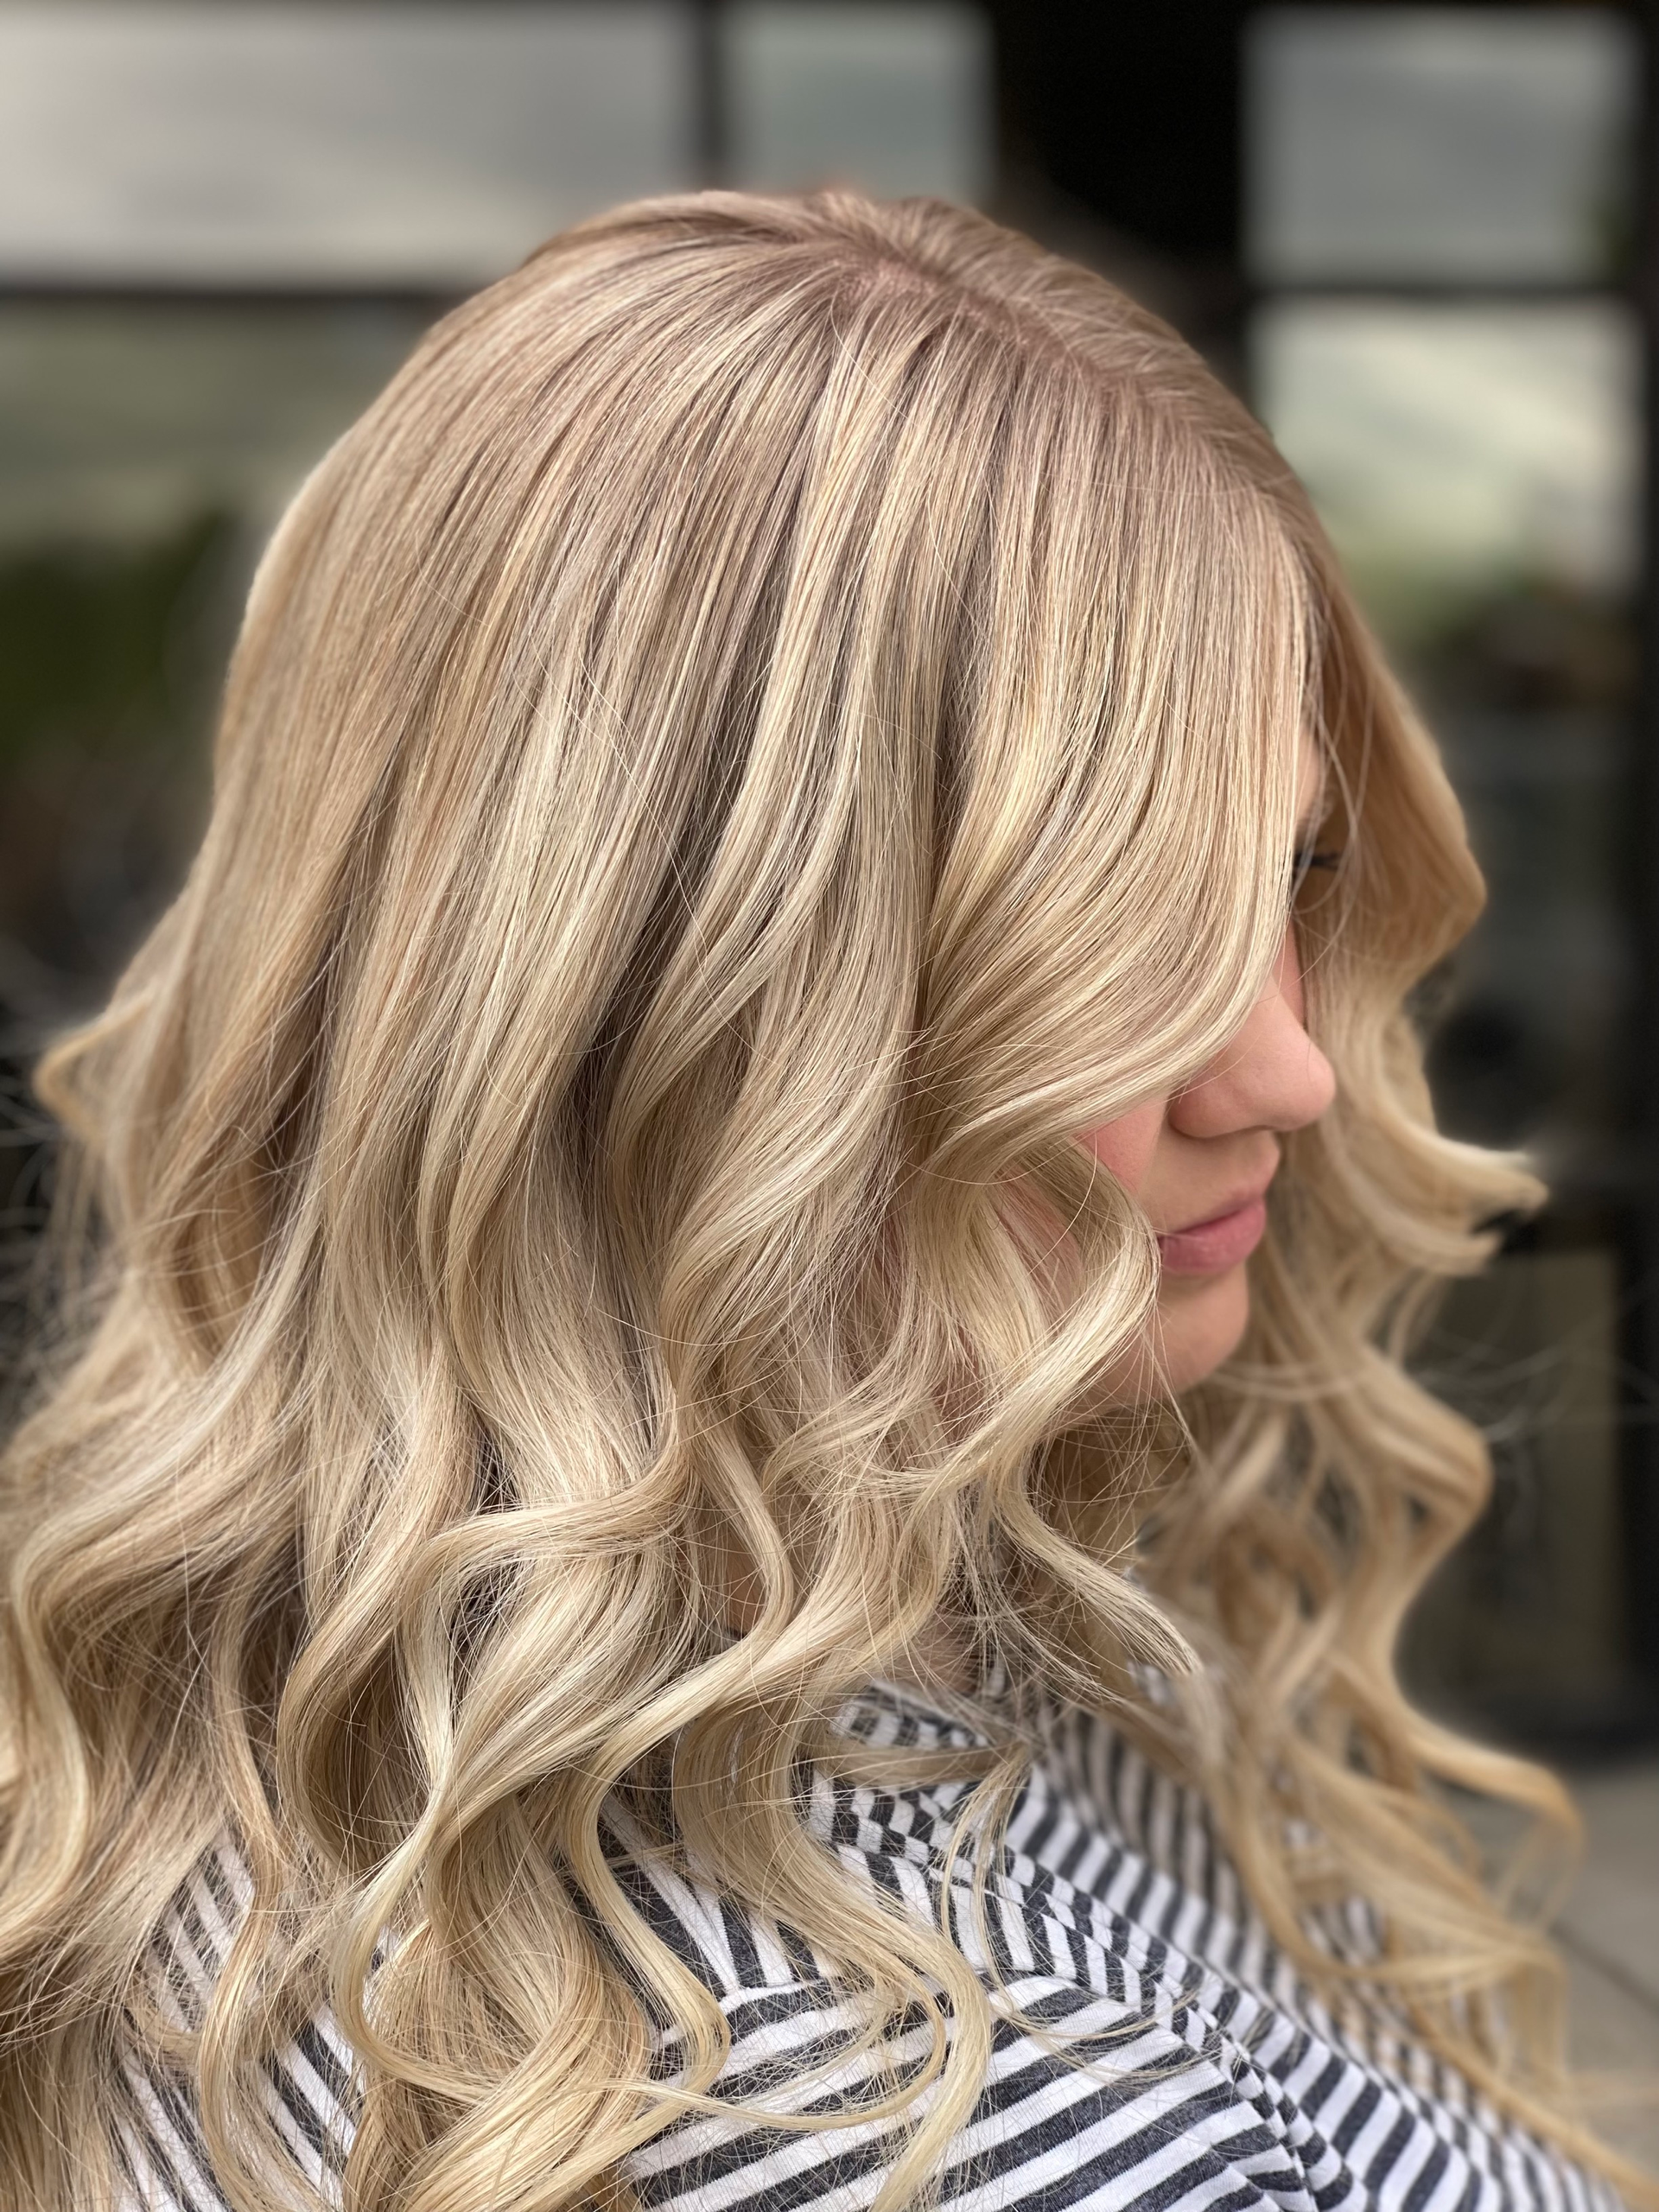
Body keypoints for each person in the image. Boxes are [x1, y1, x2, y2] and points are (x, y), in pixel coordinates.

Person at [0, 190, 1647, 2212]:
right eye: (1112, 937)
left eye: (1291, 880)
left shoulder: (269, 1718)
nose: (1291, 1070)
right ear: (649, 1018)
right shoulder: (912, 2115)